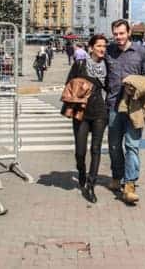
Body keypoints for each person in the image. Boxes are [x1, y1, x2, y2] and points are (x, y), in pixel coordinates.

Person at [106, 19, 145, 204]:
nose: (118, 37)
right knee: (114, 146)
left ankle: (130, 184)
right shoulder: (109, 51)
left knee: (132, 146)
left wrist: (137, 86)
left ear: (129, 32)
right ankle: (117, 177)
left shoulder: (141, 52)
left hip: (134, 108)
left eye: (121, 33)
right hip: (113, 107)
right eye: (115, 34)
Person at [64, 34, 109, 203]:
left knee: (96, 149)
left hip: (100, 113)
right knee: (80, 151)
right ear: (91, 48)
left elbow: (111, 88)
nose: (102, 49)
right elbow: (68, 84)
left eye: (104, 46)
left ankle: (91, 185)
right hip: (81, 113)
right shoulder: (80, 64)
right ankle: (81, 171)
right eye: (98, 46)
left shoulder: (108, 66)